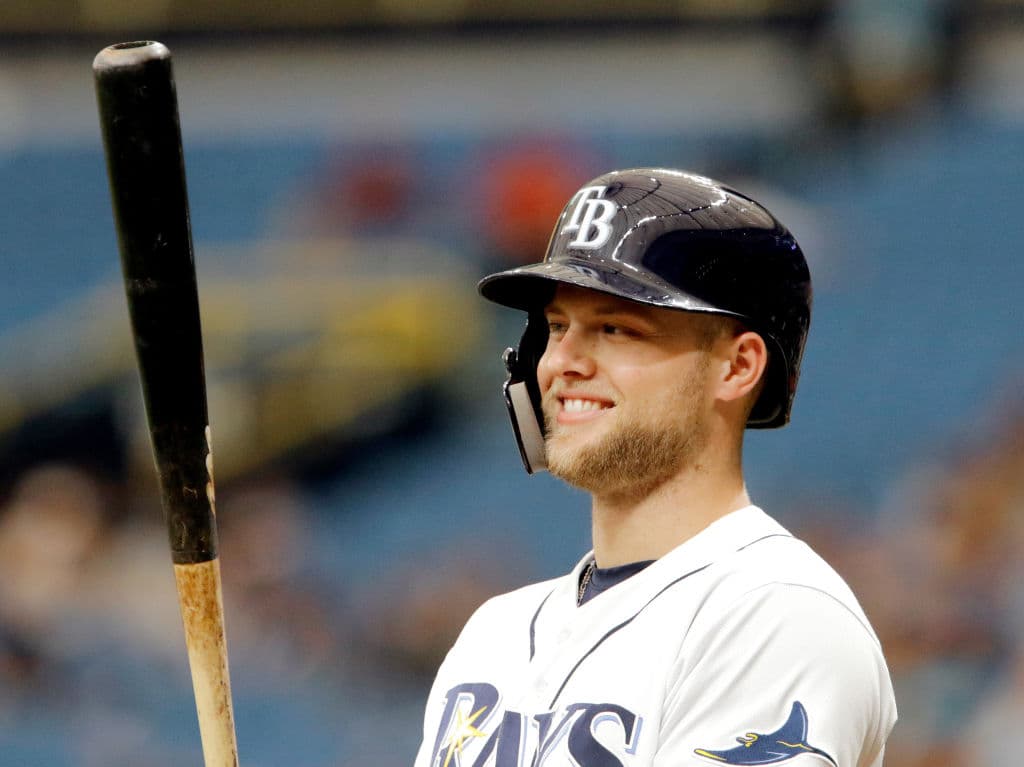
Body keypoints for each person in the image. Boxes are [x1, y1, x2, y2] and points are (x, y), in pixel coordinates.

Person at [413, 168, 896, 767]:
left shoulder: (779, 616)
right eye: (558, 327)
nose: (562, 360)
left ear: (738, 367)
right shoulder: (495, 635)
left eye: (616, 328)